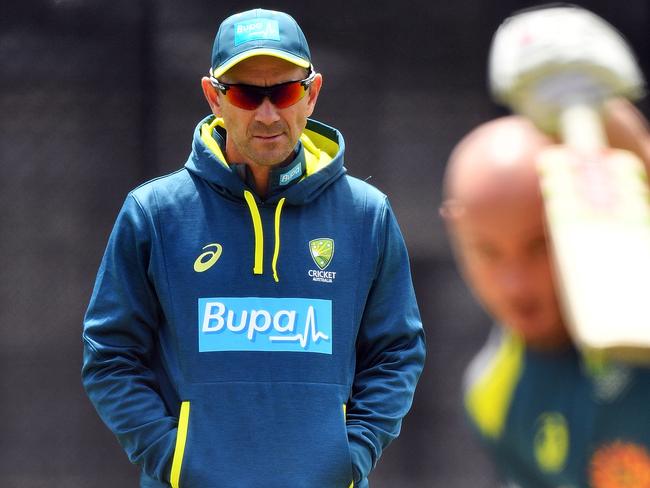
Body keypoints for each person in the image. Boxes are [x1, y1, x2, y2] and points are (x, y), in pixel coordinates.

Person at [81, 8, 425, 488]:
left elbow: (397, 352)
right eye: (245, 94)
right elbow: (110, 355)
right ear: (214, 98)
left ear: (312, 94)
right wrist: (175, 461)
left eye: (283, 91)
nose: (267, 114)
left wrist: (350, 457)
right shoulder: (154, 213)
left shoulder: (367, 215)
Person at [441, 100, 650, 488]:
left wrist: (608, 111)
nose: (515, 284)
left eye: (539, 245)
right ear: (456, 232)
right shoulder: (493, 397)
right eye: (488, 252)